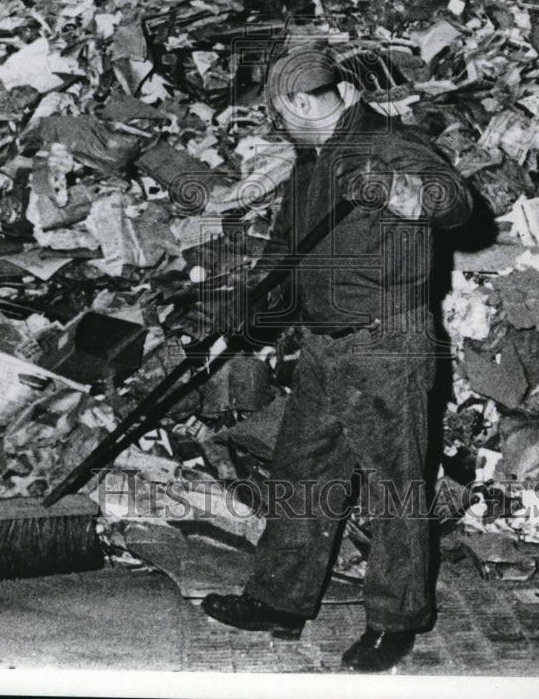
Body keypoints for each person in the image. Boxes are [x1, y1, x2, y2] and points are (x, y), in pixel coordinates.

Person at [200, 43, 473, 672]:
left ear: (299, 102)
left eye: (281, 114)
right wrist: (246, 316)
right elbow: (287, 247)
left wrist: (397, 190)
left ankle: (396, 621)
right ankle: (280, 601)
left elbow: (454, 200)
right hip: (325, 343)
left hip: (386, 341)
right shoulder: (314, 158)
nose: (281, 126)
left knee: (394, 486)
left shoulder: (385, 143)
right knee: (302, 473)